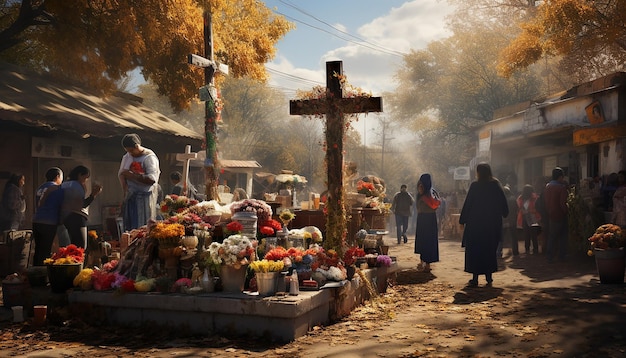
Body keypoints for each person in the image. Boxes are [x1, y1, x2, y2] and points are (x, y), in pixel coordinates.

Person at [459, 163, 508, 287]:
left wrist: (462, 220)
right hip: (491, 225)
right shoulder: (495, 185)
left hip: (475, 225)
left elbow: (468, 204)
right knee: (489, 250)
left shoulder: (475, 186)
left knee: (475, 250)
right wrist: (505, 213)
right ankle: (489, 277)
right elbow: (503, 203)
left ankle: (475, 278)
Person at [118, 133, 161, 231]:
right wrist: (125, 190)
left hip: (144, 197)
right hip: (131, 195)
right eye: (128, 151)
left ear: (137, 146)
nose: (130, 153)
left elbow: (152, 179)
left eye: (131, 150)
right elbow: (122, 173)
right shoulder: (127, 156)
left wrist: (133, 176)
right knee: (130, 228)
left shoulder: (149, 158)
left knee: (142, 227)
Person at [60, 165, 102, 248]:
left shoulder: (64, 185)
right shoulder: (77, 185)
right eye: (85, 178)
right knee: (80, 247)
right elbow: (82, 205)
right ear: (80, 175)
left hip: (65, 219)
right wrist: (93, 195)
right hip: (77, 218)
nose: (85, 181)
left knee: (69, 247)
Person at [32, 167, 64, 265]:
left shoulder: (40, 187)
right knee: (45, 251)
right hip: (48, 222)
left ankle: (35, 272)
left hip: (36, 221)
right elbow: (61, 205)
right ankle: (43, 275)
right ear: (57, 176)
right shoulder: (57, 188)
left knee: (38, 249)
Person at [414, 174, 440, 272]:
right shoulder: (433, 192)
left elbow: (417, 207)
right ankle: (427, 263)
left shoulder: (421, 192)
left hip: (422, 218)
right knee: (430, 240)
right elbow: (437, 204)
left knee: (423, 239)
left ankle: (423, 261)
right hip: (431, 218)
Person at [543, 167, 569, 263]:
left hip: (551, 214)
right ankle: (561, 255)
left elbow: (545, 201)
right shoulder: (561, 188)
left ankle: (549, 256)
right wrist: (566, 211)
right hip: (560, 214)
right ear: (560, 177)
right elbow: (563, 204)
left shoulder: (547, 186)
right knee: (563, 236)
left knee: (552, 236)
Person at [516, 184, 541, 255]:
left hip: (528, 218)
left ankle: (529, 249)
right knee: (531, 234)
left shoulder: (521, 198)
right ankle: (533, 249)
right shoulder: (534, 198)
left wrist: (526, 211)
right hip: (531, 218)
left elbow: (519, 207)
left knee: (529, 234)